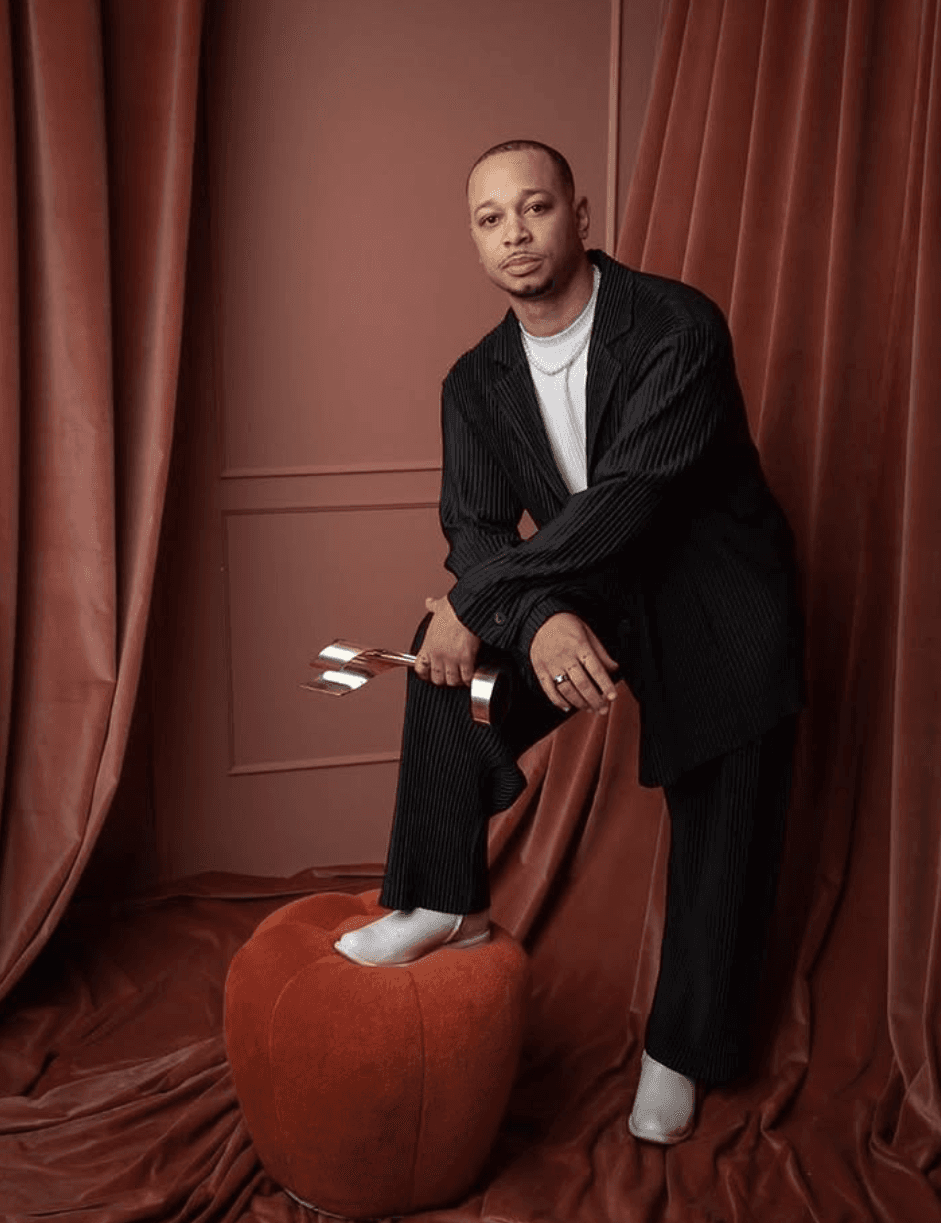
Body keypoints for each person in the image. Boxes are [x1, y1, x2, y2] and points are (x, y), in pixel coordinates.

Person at [334, 140, 804, 1144]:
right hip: (585, 591)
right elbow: (473, 526)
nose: (514, 233)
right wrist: (534, 616)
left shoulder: (676, 326)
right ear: (474, 241)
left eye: (534, 207)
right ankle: (443, 898)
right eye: (490, 218)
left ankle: (683, 1049)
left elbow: (629, 497)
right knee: (444, 657)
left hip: (716, 595)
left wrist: (484, 595)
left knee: (722, 828)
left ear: (579, 217)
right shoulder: (474, 380)